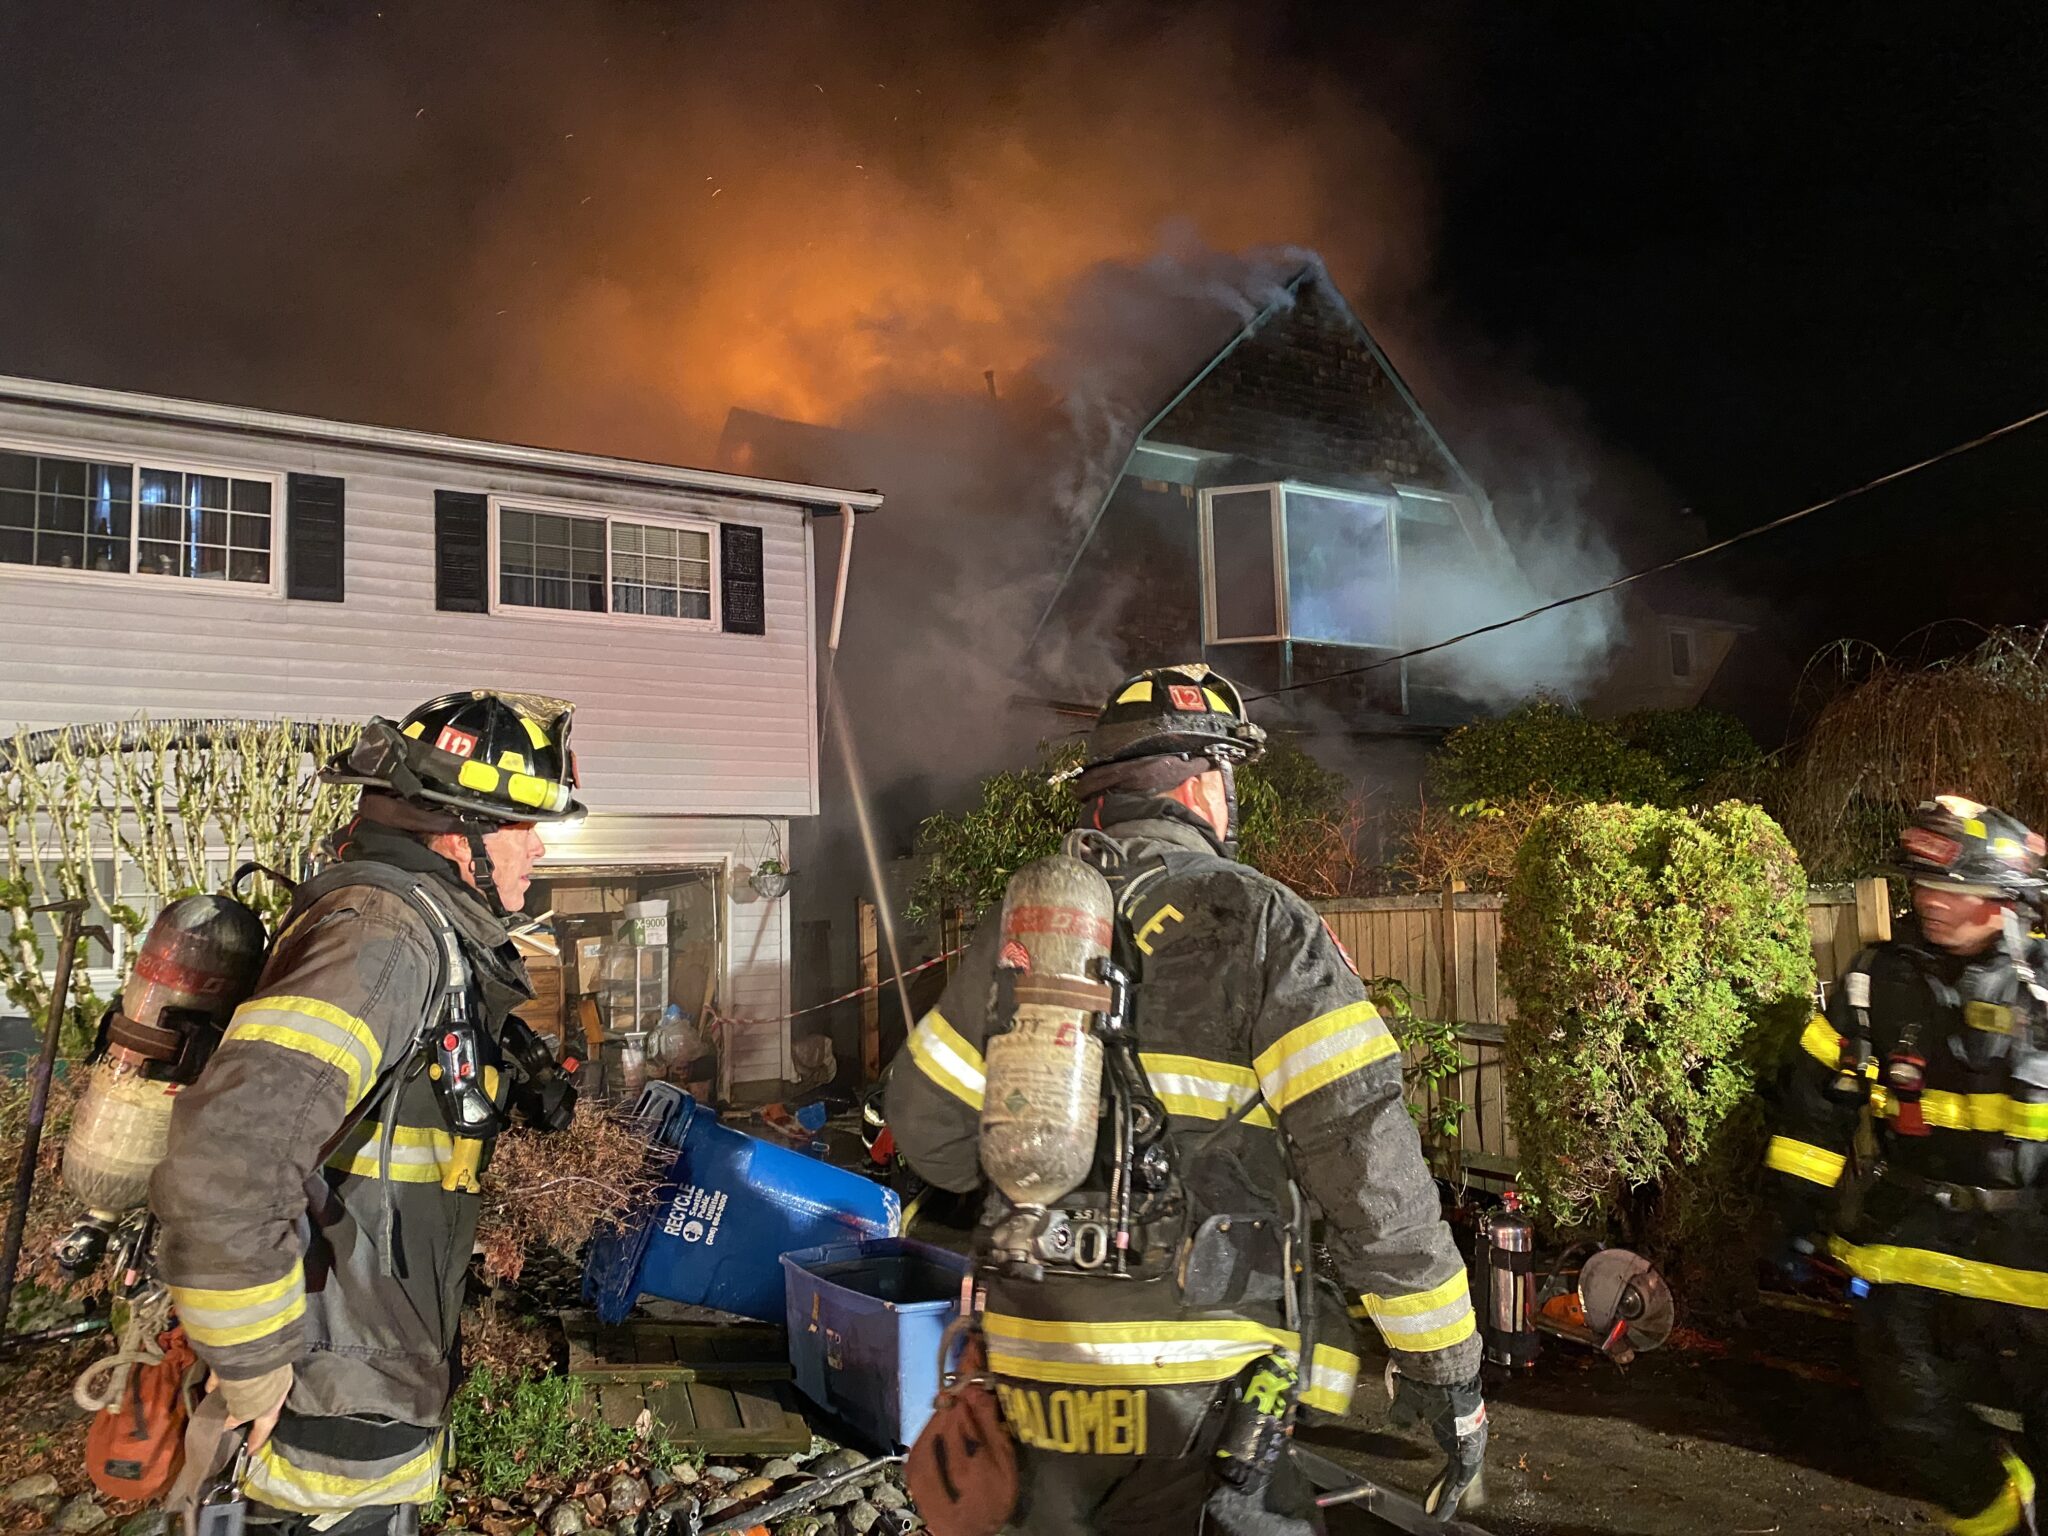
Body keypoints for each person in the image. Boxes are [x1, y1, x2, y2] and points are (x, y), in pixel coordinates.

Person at [887, 664, 1485, 1533]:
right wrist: (1445, 1366)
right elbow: (1366, 1164)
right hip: (1201, 1400)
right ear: (1206, 782)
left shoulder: (1025, 933)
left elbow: (928, 1134)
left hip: (1036, 1389)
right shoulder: (1259, 920)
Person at [152, 690, 585, 1533]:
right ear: (453, 830)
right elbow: (229, 1159)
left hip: (368, 1369)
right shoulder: (382, 937)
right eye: (519, 823)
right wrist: (250, 1366)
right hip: (322, 1397)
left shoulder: (422, 934)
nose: (537, 845)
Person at [1767, 794, 2048, 1536]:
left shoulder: (2043, 991)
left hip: (2034, 1253)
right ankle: (1998, 1519)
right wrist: (1794, 1211)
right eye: (1923, 885)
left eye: (1952, 888)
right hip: (1908, 1238)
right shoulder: (1877, 981)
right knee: (1912, 1417)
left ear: (2004, 899)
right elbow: (1818, 1104)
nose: (1930, 901)